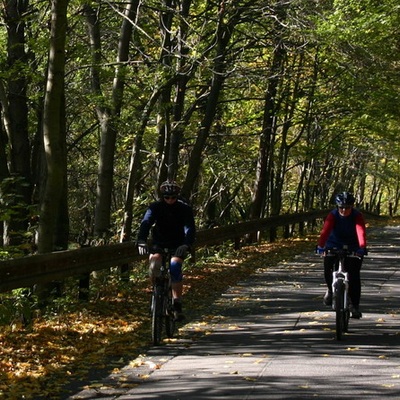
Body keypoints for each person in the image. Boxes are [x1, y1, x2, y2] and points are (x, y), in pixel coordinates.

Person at [136, 180, 196, 321]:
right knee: (154, 265)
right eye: (167, 197)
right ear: (163, 196)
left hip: (178, 244)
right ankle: (156, 292)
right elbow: (146, 223)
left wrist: (187, 244)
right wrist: (141, 240)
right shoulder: (155, 207)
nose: (170, 200)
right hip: (159, 243)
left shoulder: (184, 209)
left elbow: (190, 229)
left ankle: (177, 303)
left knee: (175, 267)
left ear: (177, 196)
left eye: (173, 197)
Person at [316, 192, 367, 319]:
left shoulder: (357, 216)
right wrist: (321, 246)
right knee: (328, 267)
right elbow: (325, 231)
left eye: (347, 207)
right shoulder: (332, 215)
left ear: (352, 207)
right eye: (341, 207)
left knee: (354, 276)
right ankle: (330, 289)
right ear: (337, 207)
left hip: (353, 245)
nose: (344, 210)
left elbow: (360, 231)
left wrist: (362, 247)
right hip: (333, 243)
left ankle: (354, 306)